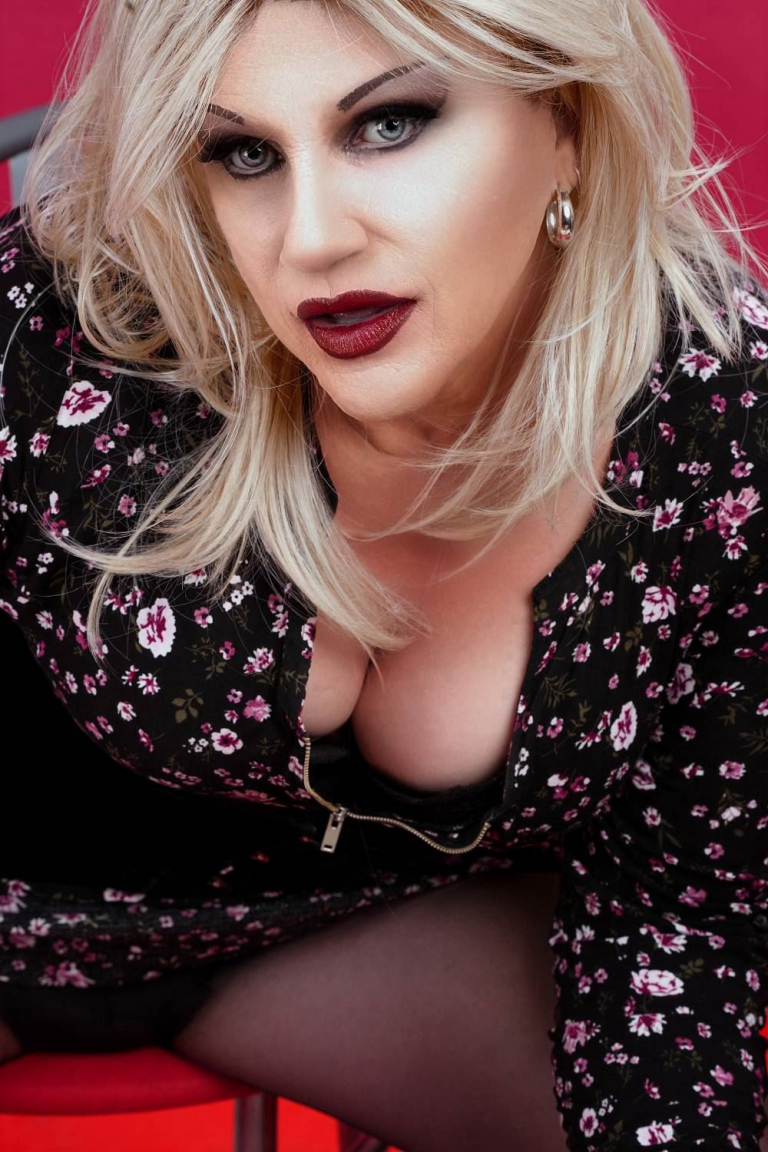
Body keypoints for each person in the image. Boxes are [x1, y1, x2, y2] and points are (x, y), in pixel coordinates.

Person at [0, 0, 767, 1147]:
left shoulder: (721, 428)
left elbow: (677, 929)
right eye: (244, 153)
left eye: (390, 123)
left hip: (335, 935)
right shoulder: (76, 330)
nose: (310, 240)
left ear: (566, 120)